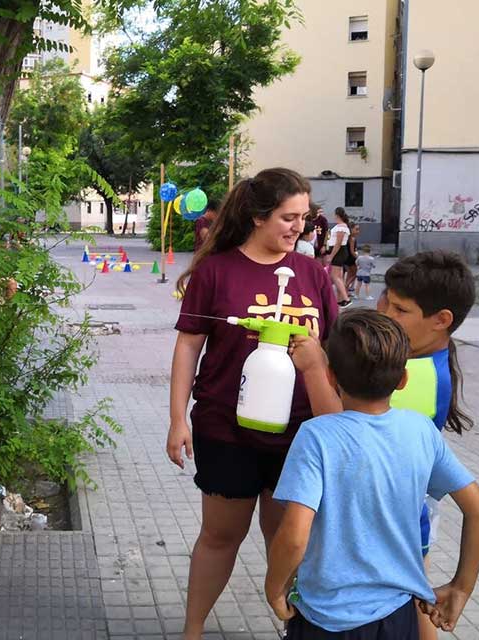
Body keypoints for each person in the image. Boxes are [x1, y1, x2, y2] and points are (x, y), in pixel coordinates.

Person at [169, 168, 340, 640]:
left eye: (304, 218)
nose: (298, 228)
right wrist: (176, 419)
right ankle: (193, 630)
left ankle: (297, 630)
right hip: (227, 428)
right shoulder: (216, 271)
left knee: (286, 538)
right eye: (288, 217)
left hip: (301, 434)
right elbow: (188, 346)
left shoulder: (312, 274)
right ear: (257, 216)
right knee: (221, 537)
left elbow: (333, 351)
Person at [266, 309, 479, 638]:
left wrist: (274, 587)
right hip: (398, 617)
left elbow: (295, 535)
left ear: (330, 376)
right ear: (403, 378)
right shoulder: (420, 430)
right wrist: (461, 587)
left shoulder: (316, 436)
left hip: (325, 618)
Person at [377, 250, 477, 640]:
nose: (385, 315)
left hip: (393, 519)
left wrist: (318, 369)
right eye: (387, 302)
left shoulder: (410, 380)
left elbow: (340, 423)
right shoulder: (421, 361)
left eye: (400, 310)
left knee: (414, 605)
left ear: (441, 321)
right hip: (408, 512)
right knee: (414, 597)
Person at [324, 208, 352, 307]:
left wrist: (331, 255)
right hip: (340, 252)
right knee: (338, 276)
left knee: (335, 276)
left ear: (337, 215)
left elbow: (338, 243)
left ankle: (346, 298)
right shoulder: (341, 226)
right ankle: (340, 299)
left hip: (338, 252)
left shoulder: (341, 227)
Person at [343, 223, 360, 294]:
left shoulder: (347, 237)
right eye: (356, 229)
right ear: (351, 229)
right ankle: (345, 288)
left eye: (358, 229)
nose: (358, 231)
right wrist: (359, 258)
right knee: (356, 273)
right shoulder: (352, 238)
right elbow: (352, 251)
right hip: (351, 259)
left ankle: (346, 291)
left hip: (346, 258)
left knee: (349, 274)